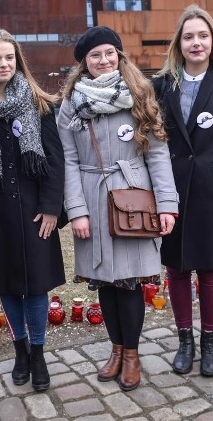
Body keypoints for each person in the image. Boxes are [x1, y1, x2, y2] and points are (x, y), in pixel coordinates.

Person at [58, 26, 179, 391]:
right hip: (93, 199)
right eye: (95, 55)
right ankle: (115, 348)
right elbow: (67, 160)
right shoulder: (70, 104)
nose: (103, 60)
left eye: (109, 53)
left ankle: (132, 355)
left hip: (135, 200)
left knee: (129, 283)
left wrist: (167, 205)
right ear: (84, 63)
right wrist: (76, 210)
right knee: (106, 284)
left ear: (119, 55)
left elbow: (158, 153)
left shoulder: (140, 93)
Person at [0, 28, 65, 392]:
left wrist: (52, 207)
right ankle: (19, 350)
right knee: (6, 284)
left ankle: (38, 354)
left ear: (17, 60)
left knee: (35, 286)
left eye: (9, 57)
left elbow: (55, 160)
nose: (3, 64)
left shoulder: (41, 103)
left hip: (35, 212)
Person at [152, 5, 213, 376]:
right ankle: (184, 340)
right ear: (179, 43)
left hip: (212, 191)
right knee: (177, 269)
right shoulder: (161, 85)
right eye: (189, 36)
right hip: (172, 191)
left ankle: (209, 341)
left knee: (210, 270)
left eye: (203, 35)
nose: (196, 42)